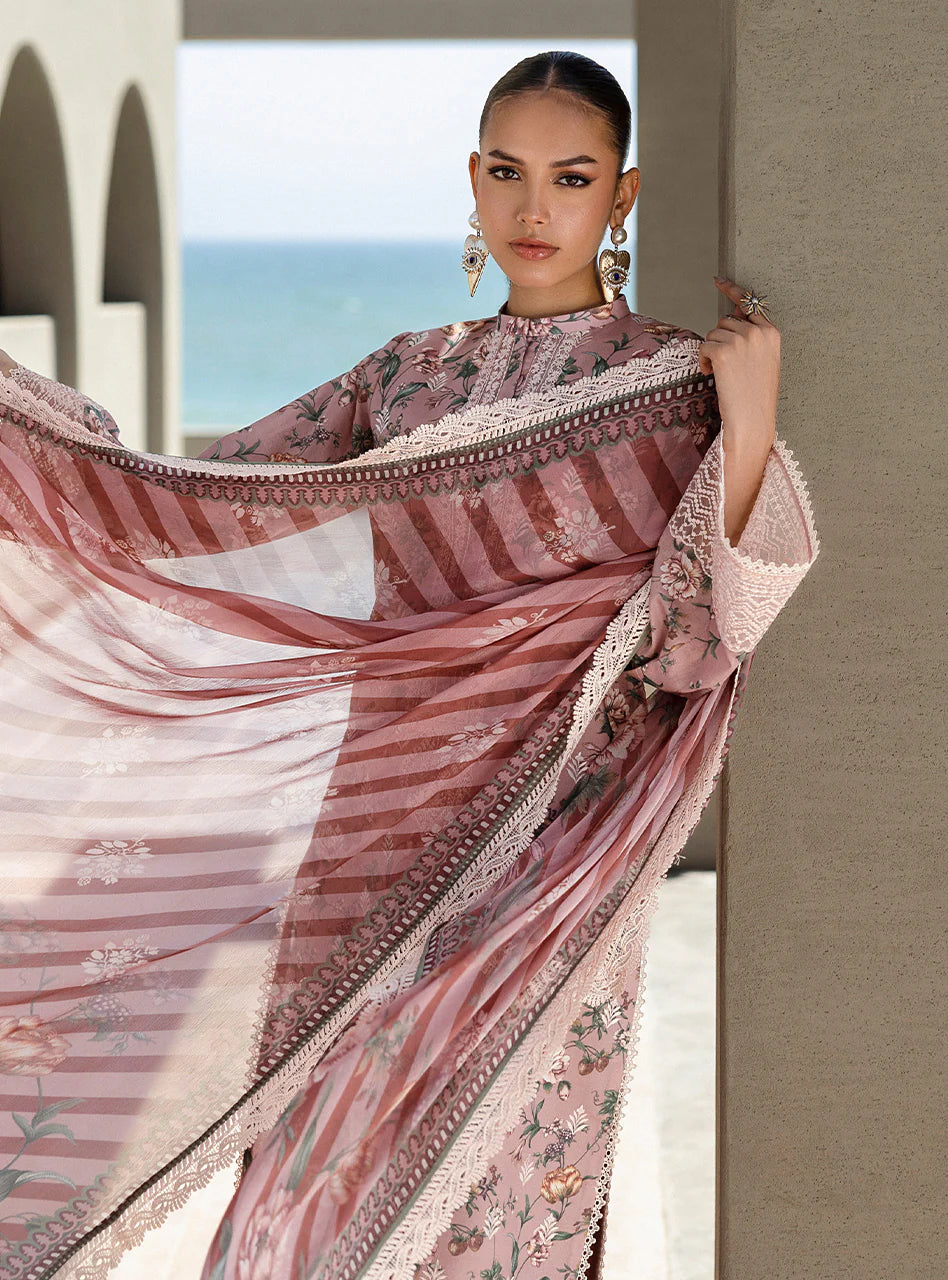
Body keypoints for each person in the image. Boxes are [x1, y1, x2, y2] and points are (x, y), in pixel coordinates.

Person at [0, 51, 819, 1280]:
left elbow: (701, 643)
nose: (535, 208)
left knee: (495, 1176)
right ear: (473, 181)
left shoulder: (665, 388)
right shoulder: (403, 375)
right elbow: (203, 503)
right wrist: (36, 437)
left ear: (624, 193)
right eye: (508, 172)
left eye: (573, 177)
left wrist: (748, 423)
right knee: (311, 1174)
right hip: (374, 822)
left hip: (553, 840)